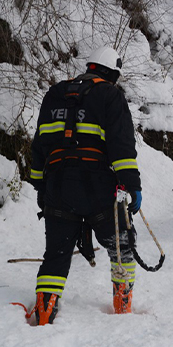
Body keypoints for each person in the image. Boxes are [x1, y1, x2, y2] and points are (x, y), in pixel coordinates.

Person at [28, 45, 142, 324]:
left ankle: (44, 312)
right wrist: (132, 184)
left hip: (57, 186)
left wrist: (41, 186)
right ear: (113, 73)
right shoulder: (110, 95)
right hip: (98, 188)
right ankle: (123, 306)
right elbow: (121, 145)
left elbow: (40, 144)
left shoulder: (55, 93)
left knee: (56, 253)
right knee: (122, 244)